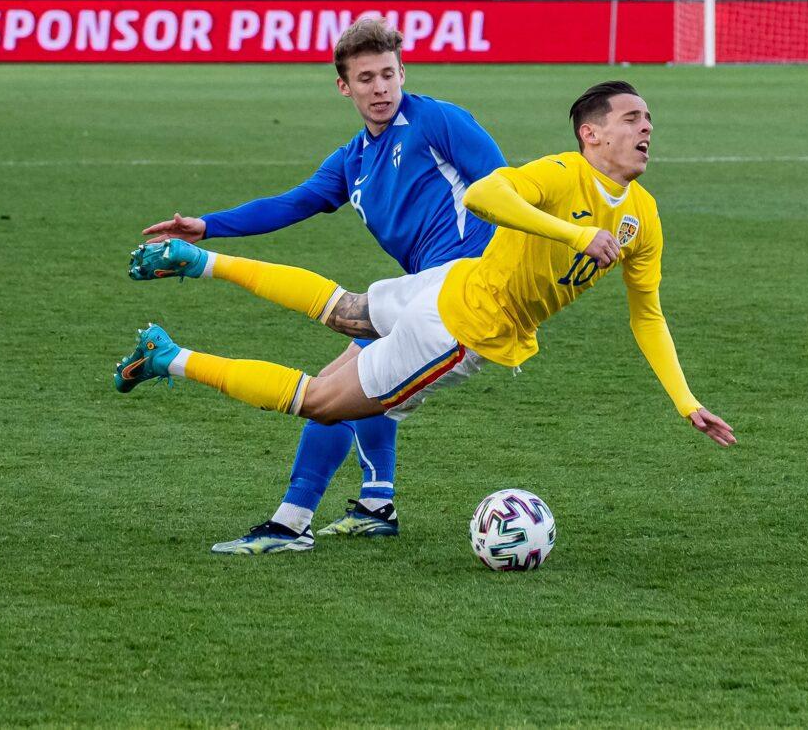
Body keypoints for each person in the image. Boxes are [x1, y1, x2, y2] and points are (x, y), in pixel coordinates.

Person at [115, 80, 736, 554]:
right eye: (632, 118)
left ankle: (201, 262)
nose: (646, 127)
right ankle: (172, 359)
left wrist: (685, 402)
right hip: (461, 331)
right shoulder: (560, 173)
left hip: (449, 283)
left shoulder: (644, 217)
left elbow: (647, 314)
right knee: (323, 400)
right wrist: (570, 236)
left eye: (649, 118)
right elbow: (484, 192)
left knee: (345, 311)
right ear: (592, 135)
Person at [133, 18, 506, 555]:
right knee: (358, 376)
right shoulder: (354, 159)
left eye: (387, 75)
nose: (379, 89)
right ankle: (375, 505)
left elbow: (508, 187)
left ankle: (292, 523)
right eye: (365, 79)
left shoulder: (440, 122)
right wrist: (208, 223)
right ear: (344, 86)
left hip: (461, 291)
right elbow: (294, 202)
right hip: (421, 292)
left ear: (403, 73)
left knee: (332, 388)